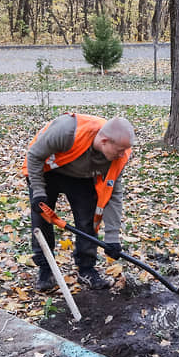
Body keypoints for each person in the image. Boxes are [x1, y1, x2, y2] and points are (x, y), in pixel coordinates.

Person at [23, 113, 135, 291]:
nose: (123, 154)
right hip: (47, 170)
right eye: (119, 150)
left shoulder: (118, 155)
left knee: (87, 219)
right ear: (105, 141)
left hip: (80, 176)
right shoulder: (67, 131)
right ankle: (46, 269)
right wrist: (38, 191)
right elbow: (34, 155)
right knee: (42, 219)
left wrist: (112, 238)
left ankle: (86, 269)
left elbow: (113, 194)